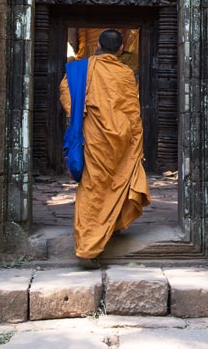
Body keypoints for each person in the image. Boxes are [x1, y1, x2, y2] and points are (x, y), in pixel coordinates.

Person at [60, 29, 150, 268]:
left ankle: (89, 247)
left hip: (94, 138)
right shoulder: (126, 74)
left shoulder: (81, 70)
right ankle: (109, 228)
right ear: (120, 49)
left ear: (98, 45)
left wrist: (79, 114)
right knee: (119, 181)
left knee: (93, 188)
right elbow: (133, 110)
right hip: (122, 138)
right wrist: (137, 142)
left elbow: (66, 93)